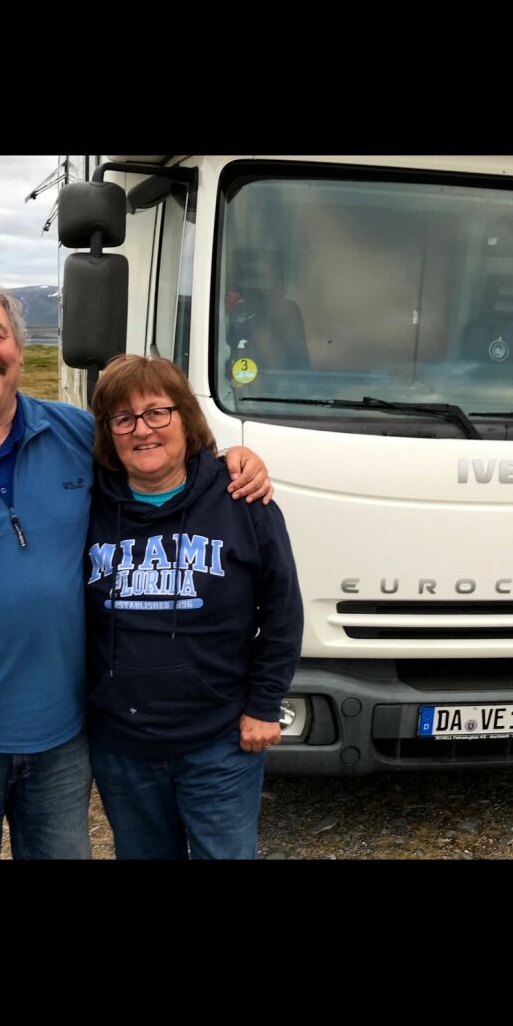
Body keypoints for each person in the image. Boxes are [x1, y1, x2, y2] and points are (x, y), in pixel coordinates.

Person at [0, 277, 272, 860]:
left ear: (20, 348)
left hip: (61, 737)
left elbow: (160, 456)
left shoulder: (76, 437)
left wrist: (231, 460)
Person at [86, 354, 304, 860]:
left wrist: (264, 706)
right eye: (123, 418)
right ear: (109, 434)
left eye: (157, 412)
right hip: (122, 745)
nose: (143, 430)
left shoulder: (242, 500)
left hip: (220, 741)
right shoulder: (87, 505)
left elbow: (282, 612)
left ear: (185, 417)